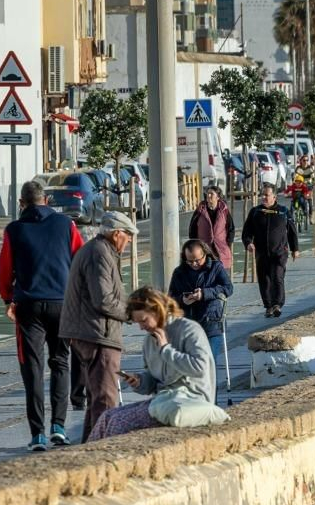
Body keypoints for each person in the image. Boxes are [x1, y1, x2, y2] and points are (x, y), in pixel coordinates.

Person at [0, 179, 84, 451]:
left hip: (29, 306)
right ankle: (59, 427)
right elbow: (79, 258)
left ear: (22, 203)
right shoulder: (66, 225)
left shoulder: (13, 230)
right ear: (46, 200)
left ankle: (37, 434)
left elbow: (5, 270)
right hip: (62, 303)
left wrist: (8, 299)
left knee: (32, 369)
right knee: (61, 362)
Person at [90, 287, 231, 440]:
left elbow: (199, 368)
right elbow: (155, 381)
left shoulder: (189, 330)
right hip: (163, 400)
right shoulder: (149, 341)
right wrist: (140, 381)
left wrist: (166, 349)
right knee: (106, 417)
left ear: (157, 311)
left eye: (143, 321)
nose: (141, 327)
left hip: (188, 399)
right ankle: (86, 460)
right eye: (138, 323)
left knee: (118, 422)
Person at [60, 212, 134, 442]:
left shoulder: (101, 250)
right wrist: (133, 314)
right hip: (97, 334)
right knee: (105, 399)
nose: (130, 241)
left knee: (96, 398)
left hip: (91, 332)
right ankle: (101, 451)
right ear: (116, 233)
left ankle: (88, 450)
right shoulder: (99, 253)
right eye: (128, 236)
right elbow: (103, 300)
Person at [167, 239, 233, 385]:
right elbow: (170, 298)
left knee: (208, 365)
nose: (194, 264)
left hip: (211, 323)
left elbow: (228, 288)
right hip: (188, 326)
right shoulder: (179, 272)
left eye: (197, 260)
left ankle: (211, 404)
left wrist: (205, 293)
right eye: (189, 261)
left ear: (205, 254)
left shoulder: (215, 267)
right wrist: (183, 300)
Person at [241, 183, 299, 318]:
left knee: (277, 276)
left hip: (279, 251)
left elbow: (292, 231)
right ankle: (268, 306)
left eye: (267, 195)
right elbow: (247, 232)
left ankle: (277, 304)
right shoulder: (255, 212)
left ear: (274, 196)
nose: (264, 197)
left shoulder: (283, 211)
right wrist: (248, 243)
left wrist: (295, 248)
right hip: (261, 253)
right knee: (264, 280)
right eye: (263, 195)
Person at [188, 186, 234, 271]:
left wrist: (227, 243)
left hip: (221, 250)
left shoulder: (224, 211)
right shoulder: (200, 211)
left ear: (218, 197)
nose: (208, 196)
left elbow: (231, 228)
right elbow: (192, 229)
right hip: (204, 249)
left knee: (221, 277)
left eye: (211, 194)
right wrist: (196, 244)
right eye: (207, 194)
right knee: (205, 277)